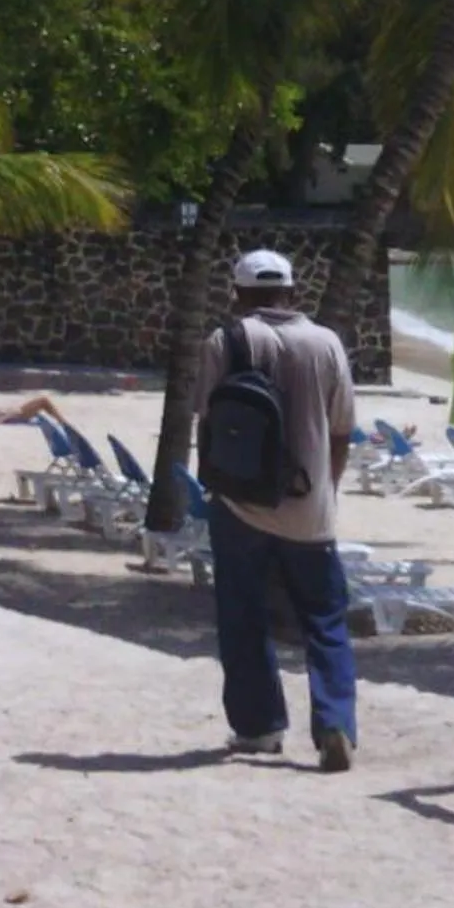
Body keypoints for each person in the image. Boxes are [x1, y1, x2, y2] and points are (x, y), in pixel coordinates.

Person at [194, 249, 360, 771]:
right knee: (326, 620)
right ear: (292, 291)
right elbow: (340, 431)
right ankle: (334, 722)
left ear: (239, 293)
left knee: (242, 616)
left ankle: (260, 728)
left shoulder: (226, 340)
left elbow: (209, 423)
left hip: (241, 505)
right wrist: (325, 492)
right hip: (310, 508)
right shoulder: (325, 342)